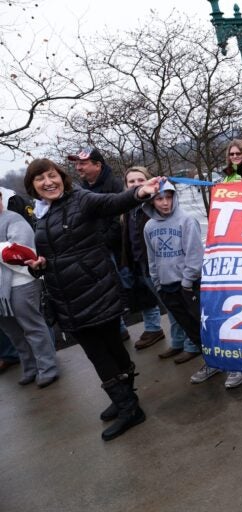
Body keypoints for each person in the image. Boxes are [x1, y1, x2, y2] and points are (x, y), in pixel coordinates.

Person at [23, 158, 162, 441]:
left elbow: (113, 203)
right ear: (33, 186)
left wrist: (140, 192)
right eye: (40, 179)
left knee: (103, 351)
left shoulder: (81, 199)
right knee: (105, 350)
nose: (48, 182)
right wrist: (38, 264)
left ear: (62, 177)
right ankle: (125, 397)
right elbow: (54, 252)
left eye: (52, 176)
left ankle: (128, 407)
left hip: (96, 288)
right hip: (66, 295)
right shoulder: (42, 213)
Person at [142, 182, 235, 387]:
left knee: (207, 327)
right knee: (190, 329)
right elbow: (152, 258)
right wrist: (158, 284)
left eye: (168, 197)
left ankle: (234, 366)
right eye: (159, 198)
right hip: (167, 288)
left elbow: (195, 254)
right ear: (151, 201)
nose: (165, 203)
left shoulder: (186, 220)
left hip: (189, 286)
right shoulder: (149, 227)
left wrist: (186, 282)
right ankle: (211, 363)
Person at [67, 147, 130, 341]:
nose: (78, 168)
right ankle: (120, 330)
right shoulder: (80, 190)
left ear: (97, 165)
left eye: (83, 163)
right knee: (106, 291)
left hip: (119, 250)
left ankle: (153, 328)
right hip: (96, 251)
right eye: (76, 163)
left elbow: (119, 220)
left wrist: (102, 241)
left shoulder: (114, 184)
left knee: (130, 286)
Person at [0, 189, 58, 388]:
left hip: (20, 283)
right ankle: (30, 367)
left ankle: (47, 367)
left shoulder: (13, 219)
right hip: (1, 293)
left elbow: (21, 252)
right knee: (13, 332)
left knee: (32, 326)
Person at [120, 167, 166, 352]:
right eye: (131, 181)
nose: (136, 184)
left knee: (169, 304)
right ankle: (155, 330)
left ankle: (184, 342)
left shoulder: (155, 205)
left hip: (157, 263)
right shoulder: (127, 209)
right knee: (147, 299)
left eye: (140, 180)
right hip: (138, 263)